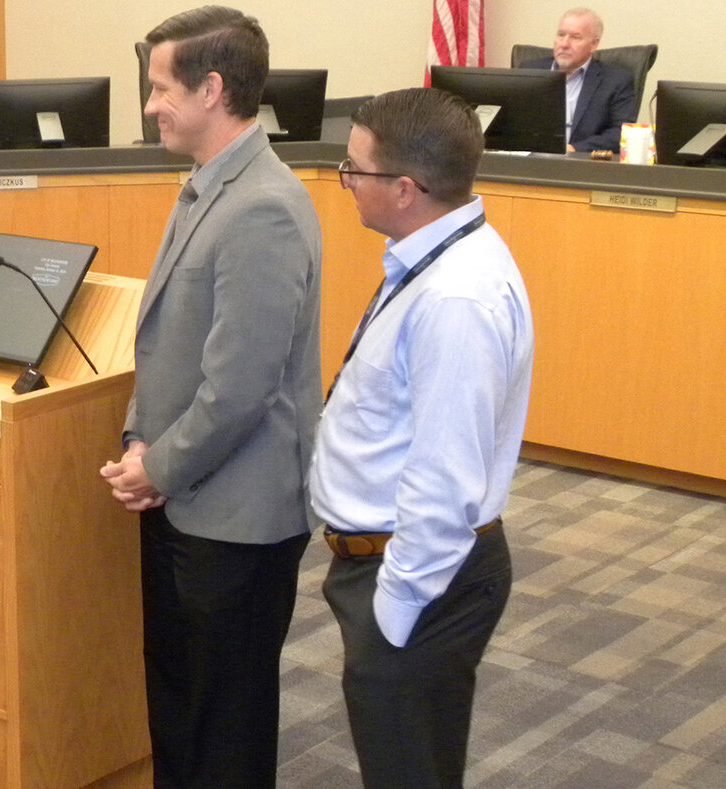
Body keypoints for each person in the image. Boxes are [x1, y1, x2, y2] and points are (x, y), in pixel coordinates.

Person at [97, 7, 322, 787]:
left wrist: (157, 466)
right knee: (178, 700)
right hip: (180, 493)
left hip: (237, 517)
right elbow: (165, 344)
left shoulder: (264, 206)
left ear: (213, 89)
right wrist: (138, 440)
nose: (151, 104)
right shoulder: (204, 185)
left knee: (225, 725)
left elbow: (241, 386)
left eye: (161, 88)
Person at [311, 87, 534, 788]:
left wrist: (394, 613)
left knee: (409, 768)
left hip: (416, 579)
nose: (345, 182)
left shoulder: (454, 298)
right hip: (391, 569)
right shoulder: (434, 257)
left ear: (405, 189)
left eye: (355, 169)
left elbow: (445, 477)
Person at [520, 8, 636, 153]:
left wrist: (575, 148)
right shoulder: (529, 71)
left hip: (583, 166)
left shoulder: (616, 81)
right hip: (532, 160)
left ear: (594, 44)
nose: (564, 44)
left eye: (575, 37)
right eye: (561, 35)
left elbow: (622, 133)